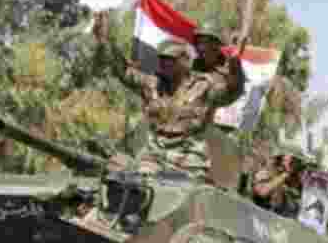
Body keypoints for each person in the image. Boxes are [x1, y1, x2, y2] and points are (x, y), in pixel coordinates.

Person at [93, 12, 246, 183]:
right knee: (119, 177)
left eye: (170, 59)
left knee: (161, 186)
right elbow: (125, 72)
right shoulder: (153, 84)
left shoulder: (204, 87)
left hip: (188, 166)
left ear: (184, 61)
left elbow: (233, 90)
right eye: (162, 58)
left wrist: (235, 63)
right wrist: (104, 41)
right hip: (152, 159)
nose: (164, 63)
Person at [250, 150, 304, 217]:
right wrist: (286, 173)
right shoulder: (263, 174)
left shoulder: (293, 184)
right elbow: (262, 192)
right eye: (281, 161)